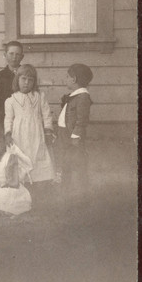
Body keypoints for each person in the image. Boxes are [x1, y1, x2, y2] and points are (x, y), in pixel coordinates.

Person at [4, 64, 55, 203]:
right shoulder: (11, 100)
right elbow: (8, 118)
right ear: (17, 80)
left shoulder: (39, 97)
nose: (27, 83)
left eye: (30, 80)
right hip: (19, 136)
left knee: (38, 159)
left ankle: (39, 193)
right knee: (21, 160)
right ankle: (22, 193)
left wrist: (48, 130)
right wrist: (7, 133)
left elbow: (46, 115)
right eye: (24, 79)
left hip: (36, 135)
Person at [56, 63, 94, 203]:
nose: (65, 79)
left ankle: (80, 192)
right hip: (64, 135)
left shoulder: (83, 97)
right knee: (65, 162)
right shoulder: (73, 96)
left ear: (74, 79)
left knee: (77, 163)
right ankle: (66, 190)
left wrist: (76, 135)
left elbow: (82, 119)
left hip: (72, 138)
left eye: (67, 76)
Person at [0, 41, 24, 123]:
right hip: (5, 117)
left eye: (17, 54)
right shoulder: (0, 76)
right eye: (11, 54)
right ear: (5, 55)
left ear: (22, 57)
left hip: (23, 116)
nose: (14, 57)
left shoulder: (26, 74)